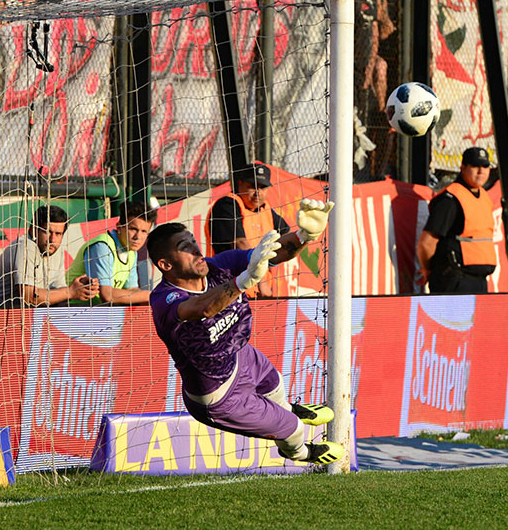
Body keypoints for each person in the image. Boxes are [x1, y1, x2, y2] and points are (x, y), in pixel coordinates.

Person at [147, 199, 344, 465]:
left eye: (193, 241)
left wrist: (303, 236)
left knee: (276, 385)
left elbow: (273, 254)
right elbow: (203, 307)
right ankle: (301, 453)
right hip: (218, 394)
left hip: (241, 354)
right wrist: (243, 281)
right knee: (293, 429)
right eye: (185, 248)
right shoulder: (164, 300)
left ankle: (287, 409)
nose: (196, 250)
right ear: (166, 265)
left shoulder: (220, 265)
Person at [0, 204, 99, 308]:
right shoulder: (25, 246)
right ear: (33, 229)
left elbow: (57, 292)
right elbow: (29, 296)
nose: (52, 239)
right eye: (47, 232)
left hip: (0, 316)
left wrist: (82, 289)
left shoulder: (55, 249)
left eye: (58, 234)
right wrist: (70, 292)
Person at [417, 147, 497, 293]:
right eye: (475, 166)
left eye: (485, 166)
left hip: (479, 280)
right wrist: (428, 269)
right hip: (455, 280)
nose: (481, 171)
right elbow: (426, 243)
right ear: (463, 168)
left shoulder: (484, 197)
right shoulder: (450, 198)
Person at [206, 162, 291, 296]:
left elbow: (287, 238)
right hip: (227, 289)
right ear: (240, 184)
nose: (258, 193)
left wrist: (304, 235)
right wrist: (262, 282)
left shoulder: (266, 210)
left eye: (263, 187)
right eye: (252, 186)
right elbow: (240, 244)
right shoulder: (227, 206)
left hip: (258, 291)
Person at [67, 201, 153, 305]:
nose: (138, 237)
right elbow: (107, 295)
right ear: (119, 226)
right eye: (133, 229)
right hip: (76, 309)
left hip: (102, 311)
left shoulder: (131, 251)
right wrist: (150, 295)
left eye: (144, 231)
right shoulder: (102, 246)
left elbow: (131, 289)